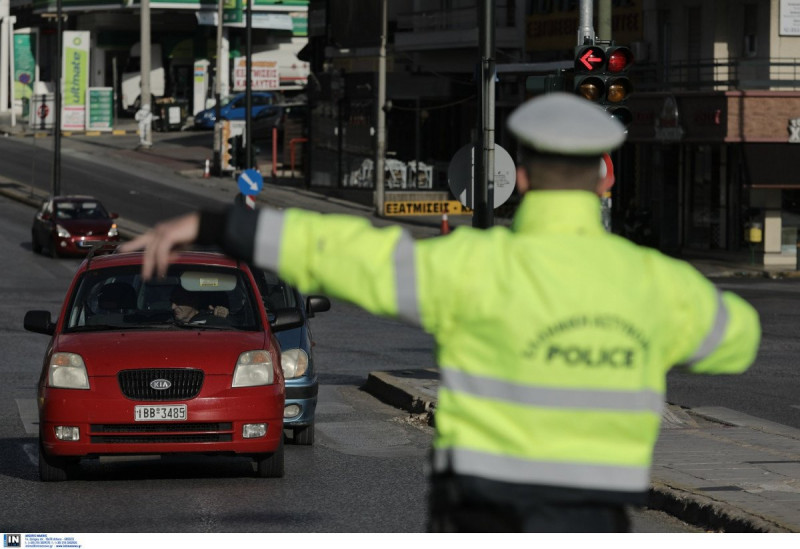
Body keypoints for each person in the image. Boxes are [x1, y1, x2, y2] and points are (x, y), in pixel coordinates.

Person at [120, 92, 761, 532]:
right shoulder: (653, 284)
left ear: (526, 178)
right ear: (606, 181)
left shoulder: (473, 269)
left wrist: (221, 222)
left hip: (481, 514)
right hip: (596, 517)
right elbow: (736, 340)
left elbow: (353, 256)